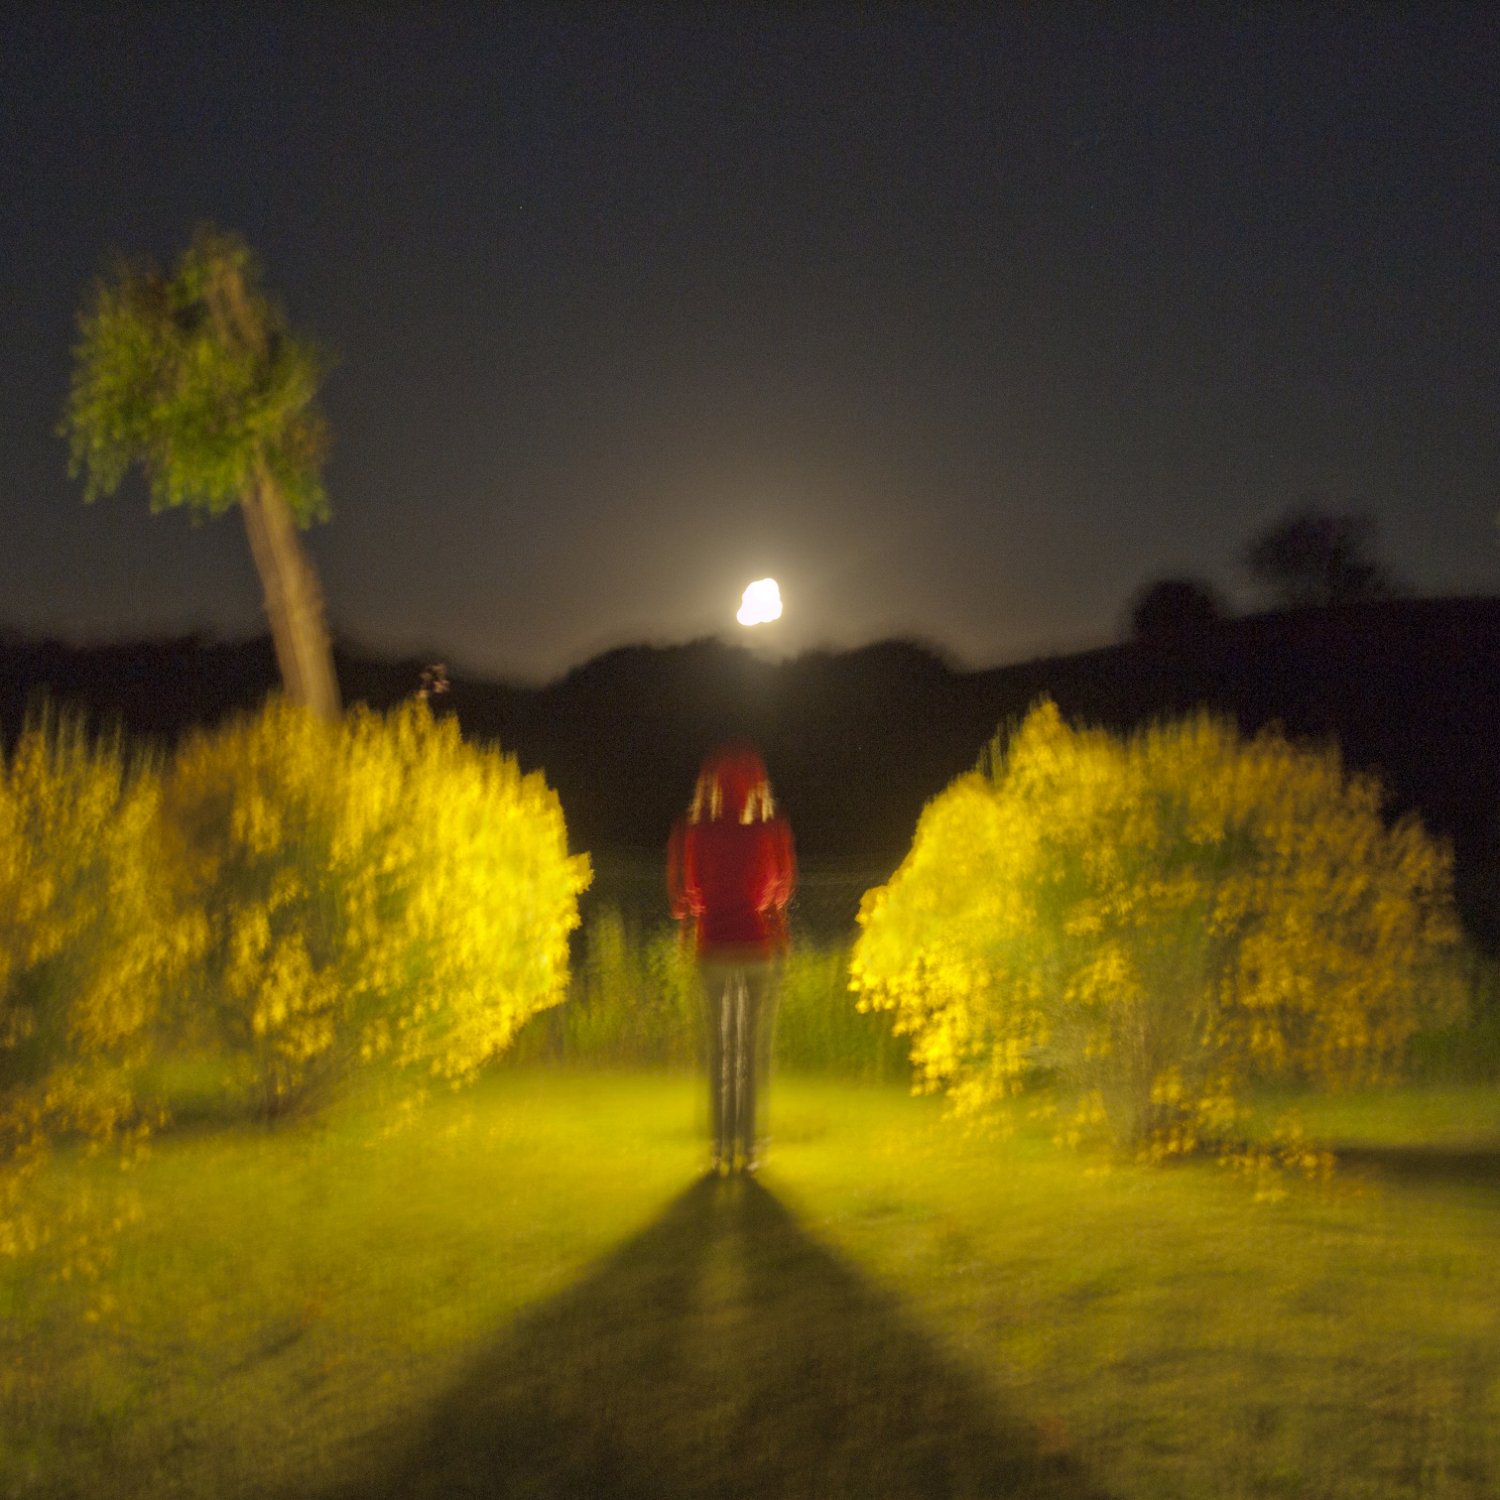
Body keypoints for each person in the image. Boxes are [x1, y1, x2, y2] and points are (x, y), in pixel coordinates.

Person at [667, 742, 796, 1175]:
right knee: (754, 1054)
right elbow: (780, 889)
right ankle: (752, 1148)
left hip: (713, 950)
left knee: (722, 1054)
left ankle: (721, 1149)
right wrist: (760, 903)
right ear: (755, 786)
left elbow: (689, 895)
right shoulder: (767, 830)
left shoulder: (696, 832)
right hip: (757, 948)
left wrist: (702, 913)